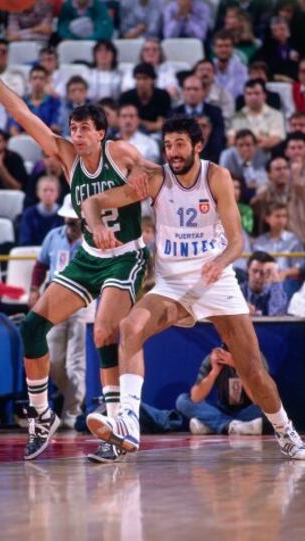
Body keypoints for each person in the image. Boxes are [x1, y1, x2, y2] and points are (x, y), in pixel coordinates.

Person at [0, 28, 151, 463]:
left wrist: (143, 193)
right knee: (30, 327)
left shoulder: (122, 153)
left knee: (104, 330)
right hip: (88, 257)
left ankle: (115, 426)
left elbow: (155, 179)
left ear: (102, 133)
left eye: (84, 128)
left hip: (126, 257)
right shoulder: (67, 156)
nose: (77, 133)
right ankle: (42, 414)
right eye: (73, 128)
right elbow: (22, 112)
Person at [82, 115, 305, 460]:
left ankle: (284, 429)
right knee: (129, 327)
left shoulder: (216, 176)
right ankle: (127, 423)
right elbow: (93, 203)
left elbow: (236, 240)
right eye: (168, 145)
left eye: (180, 144)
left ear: (197, 146)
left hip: (215, 280)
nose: (172, 151)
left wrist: (221, 262)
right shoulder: (154, 180)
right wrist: (96, 225)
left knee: (252, 371)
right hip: (172, 284)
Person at [29, 194, 85, 428]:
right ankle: (73, 401)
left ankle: (72, 413)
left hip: (84, 303)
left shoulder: (93, 242)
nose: (69, 225)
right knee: (52, 361)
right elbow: (41, 265)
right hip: (54, 302)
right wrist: (34, 290)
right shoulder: (53, 237)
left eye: (74, 221)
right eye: (67, 220)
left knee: (75, 363)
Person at [176, 345, 269, 435]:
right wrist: (214, 371)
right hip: (223, 409)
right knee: (182, 400)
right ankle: (231, 426)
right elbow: (196, 398)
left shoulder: (256, 357)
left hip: (248, 410)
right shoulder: (214, 358)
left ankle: (213, 425)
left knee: (270, 407)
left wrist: (239, 367)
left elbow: (258, 400)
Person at [250, 156, 305, 242]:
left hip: (301, 243)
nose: (282, 172)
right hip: (272, 247)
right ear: (269, 174)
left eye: (285, 168)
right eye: (278, 169)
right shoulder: (261, 199)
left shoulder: (300, 193)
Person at [172, 74, 225, 162]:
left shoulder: (215, 113)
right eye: (188, 89)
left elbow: (218, 141)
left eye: (195, 89)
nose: (192, 92)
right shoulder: (174, 113)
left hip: (210, 160)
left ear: (203, 92)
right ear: (183, 92)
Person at [228, 79, 286, 150]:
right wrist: (259, 139)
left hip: (266, 154)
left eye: (257, 93)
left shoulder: (276, 115)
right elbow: (231, 141)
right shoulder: (236, 116)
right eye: (249, 94)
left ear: (264, 95)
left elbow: (275, 140)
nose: (253, 97)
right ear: (244, 96)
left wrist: (247, 144)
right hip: (240, 154)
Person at [121, 37, 180, 102]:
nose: (151, 52)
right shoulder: (132, 69)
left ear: (160, 53)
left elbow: (172, 92)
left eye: (154, 50)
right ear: (142, 53)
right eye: (147, 50)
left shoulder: (168, 69)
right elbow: (126, 90)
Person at [119, 63, 171, 135]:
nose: (141, 82)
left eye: (145, 78)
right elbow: (123, 121)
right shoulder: (126, 97)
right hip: (131, 132)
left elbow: (161, 125)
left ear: (153, 80)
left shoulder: (162, 96)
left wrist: (139, 122)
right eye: (138, 78)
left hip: (157, 134)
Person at [9, 65, 61, 136]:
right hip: (24, 140)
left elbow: (55, 128)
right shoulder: (21, 102)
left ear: (46, 81)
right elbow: (13, 128)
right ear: (29, 81)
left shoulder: (54, 102)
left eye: (41, 78)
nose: (38, 81)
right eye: (35, 78)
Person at [220, 129, 268, 194]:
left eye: (248, 145)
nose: (245, 149)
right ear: (235, 147)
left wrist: (247, 162)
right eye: (241, 145)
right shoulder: (227, 156)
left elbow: (255, 183)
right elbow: (223, 179)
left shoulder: (261, 155)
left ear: (255, 146)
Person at [240, 251, 288, 316]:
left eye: (262, 273)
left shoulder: (275, 290)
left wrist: (275, 279)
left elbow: (277, 315)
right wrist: (240, 309)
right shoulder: (237, 290)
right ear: (247, 270)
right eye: (254, 271)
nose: (257, 276)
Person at [19, 176, 63, 246]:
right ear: (37, 192)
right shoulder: (29, 213)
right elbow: (24, 241)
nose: (48, 194)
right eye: (45, 190)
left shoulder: (63, 214)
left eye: (52, 190)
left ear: (58, 193)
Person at [194, 59, 235, 130]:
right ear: (194, 74)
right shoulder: (186, 92)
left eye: (208, 70)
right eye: (201, 70)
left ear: (214, 74)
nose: (205, 73)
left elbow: (227, 121)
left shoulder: (225, 95)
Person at [212, 29, 249, 100]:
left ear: (233, 48)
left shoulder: (242, 69)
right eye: (220, 46)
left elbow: (242, 93)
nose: (223, 50)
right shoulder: (207, 68)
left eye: (227, 46)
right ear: (214, 49)